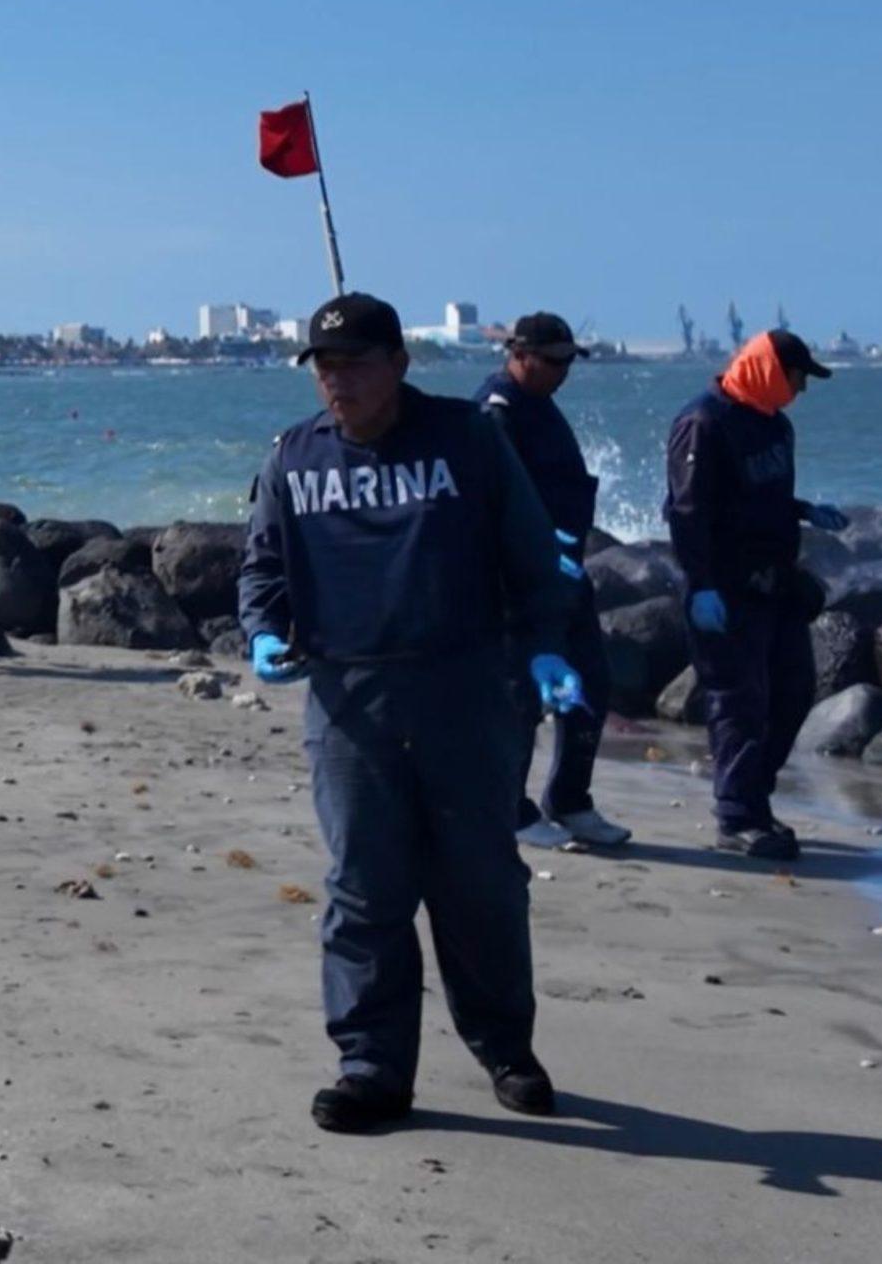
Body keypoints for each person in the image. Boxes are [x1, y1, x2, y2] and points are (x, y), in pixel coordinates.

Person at [239, 293, 586, 1134]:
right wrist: (261, 634)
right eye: (325, 366)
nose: (338, 380)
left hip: (463, 691)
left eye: (356, 362)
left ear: (399, 364)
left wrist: (544, 647)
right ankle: (372, 1066)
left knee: (480, 884)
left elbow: (532, 555)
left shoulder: (469, 441)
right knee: (364, 887)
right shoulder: (293, 457)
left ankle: (507, 1049)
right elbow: (262, 571)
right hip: (347, 705)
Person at [665, 329, 844, 861]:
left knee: (793, 692)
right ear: (769, 369)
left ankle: (754, 798)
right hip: (723, 590)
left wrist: (804, 510)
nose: (802, 390)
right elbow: (688, 512)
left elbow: (761, 498)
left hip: (775, 586)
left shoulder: (777, 426)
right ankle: (736, 817)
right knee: (738, 703)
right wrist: (700, 588)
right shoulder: (703, 422)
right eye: (798, 377)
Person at [477, 313, 630, 850]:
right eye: (554, 361)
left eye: (570, 361)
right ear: (519, 355)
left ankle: (569, 799)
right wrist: (536, 554)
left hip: (568, 571)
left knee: (591, 681)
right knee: (522, 696)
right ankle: (511, 808)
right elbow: (492, 500)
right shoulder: (497, 411)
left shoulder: (542, 405)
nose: (564, 371)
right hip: (520, 581)